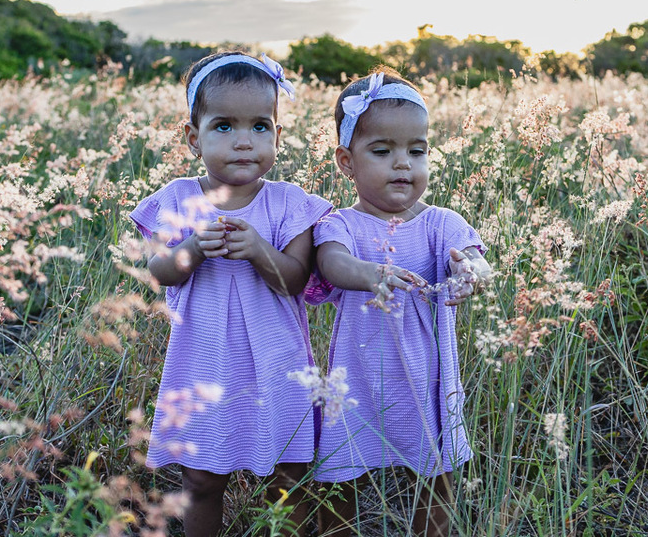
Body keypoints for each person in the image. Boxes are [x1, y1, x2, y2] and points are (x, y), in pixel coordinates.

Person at [130, 51, 330, 537]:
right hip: (203, 360)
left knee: (288, 476)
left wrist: (261, 250)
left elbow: (295, 282)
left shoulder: (290, 203)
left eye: (261, 126)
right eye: (224, 126)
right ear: (193, 136)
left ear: (278, 136)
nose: (244, 141)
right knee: (200, 478)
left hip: (277, 360)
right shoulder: (175, 199)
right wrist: (194, 248)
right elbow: (160, 271)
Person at [305, 70, 492, 537]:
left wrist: (473, 273)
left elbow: (471, 257)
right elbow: (331, 263)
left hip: (426, 377)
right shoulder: (341, 224)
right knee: (341, 471)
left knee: (435, 473)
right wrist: (372, 274)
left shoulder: (440, 223)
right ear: (346, 161)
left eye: (417, 150)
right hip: (357, 378)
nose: (403, 164)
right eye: (383, 151)